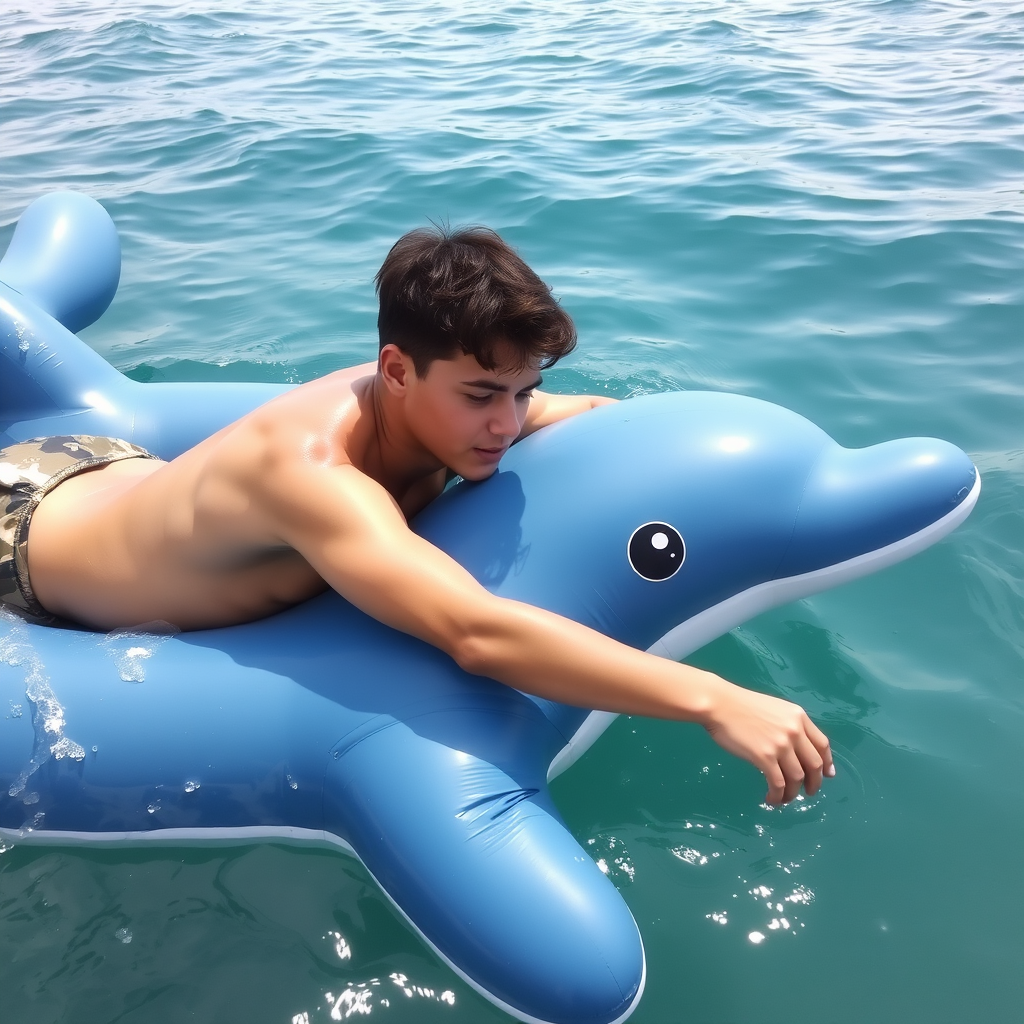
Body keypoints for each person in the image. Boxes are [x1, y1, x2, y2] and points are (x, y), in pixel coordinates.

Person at [0, 225, 832, 805]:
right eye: (481, 396)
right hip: (25, 529)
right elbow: (476, 634)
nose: (508, 424)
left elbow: (599, 417)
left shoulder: (458, 409)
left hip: (108, 463)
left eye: (522, 393)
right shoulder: (313, 477)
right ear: (396, 370)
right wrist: (714, 700)